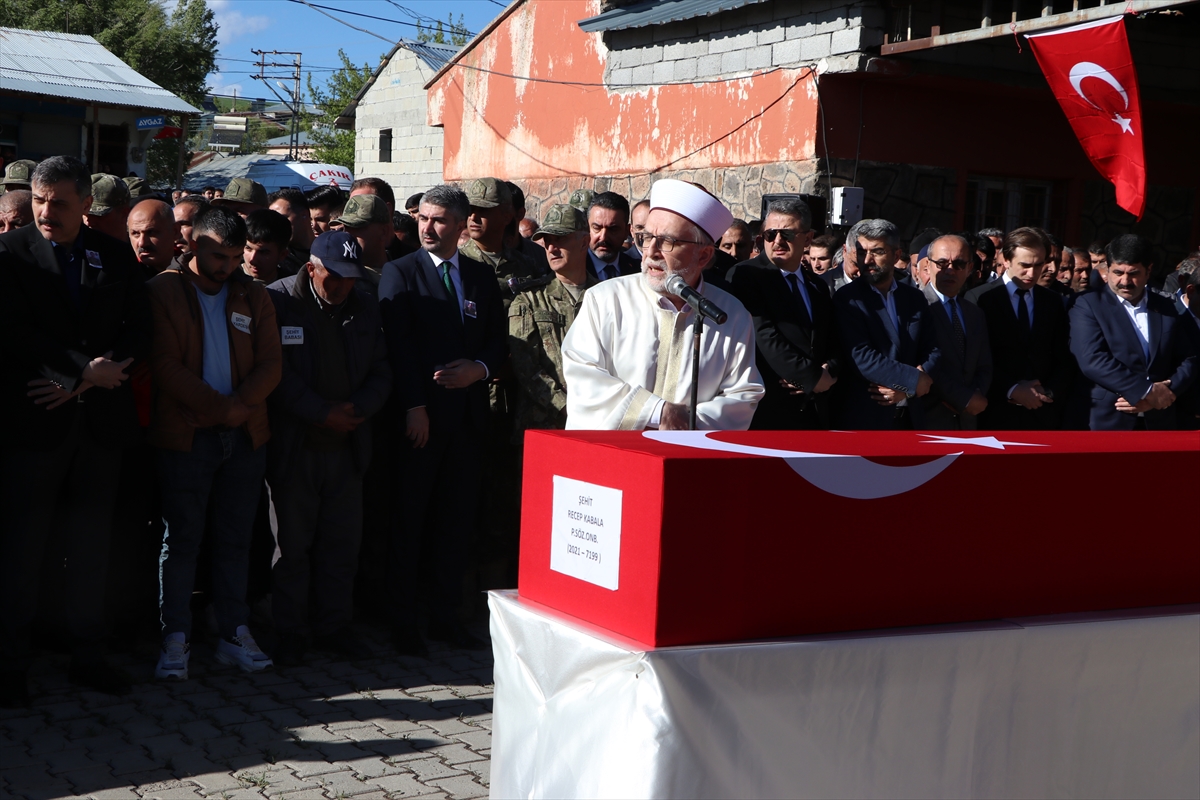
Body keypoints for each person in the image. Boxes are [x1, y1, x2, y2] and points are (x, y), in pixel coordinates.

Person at [0, 155, 150, 706]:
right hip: (34, 427)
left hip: (99, 429)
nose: (45, 212)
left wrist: (84, 383)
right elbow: (13, 333)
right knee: (22, 550)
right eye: (39, 201)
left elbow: (141, 329)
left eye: (59, 202)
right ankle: (11, 665)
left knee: (92, 547)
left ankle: (89, 655)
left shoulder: (112, 255)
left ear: (86, 205)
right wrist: (78, 371)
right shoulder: (10, 254)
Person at [147, 206, 282, 680]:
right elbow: (163, 364)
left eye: (232, 256)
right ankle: (175, 638)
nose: (226, 266)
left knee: (235, 540)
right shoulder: (163, 291)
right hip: (187, 438)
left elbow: (271, 364)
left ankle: (233, 632)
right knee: (181, 540)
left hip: (244, 437)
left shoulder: (254, 294)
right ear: (192, 244)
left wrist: (237, 407)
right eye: (216, 255)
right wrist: (218, 409)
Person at [377, 185, 507, 653]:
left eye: (438, 220)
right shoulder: (400, 272)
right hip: (421, 420)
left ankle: (445, 616)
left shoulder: (478, 276)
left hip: (468, 422)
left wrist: (480, 369)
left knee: (455, 522)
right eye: (423, 219)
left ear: (460, 224)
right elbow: (398, 346)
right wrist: (414, 406)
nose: (427, 228)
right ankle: (402, 621)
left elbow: (496, 340)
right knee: (411, 520)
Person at [265, 231, 391, 664]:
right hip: (296, 447)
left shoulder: (366, 304)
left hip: (347, 446)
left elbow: (382, 368)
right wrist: (320, 412)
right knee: (292, 546)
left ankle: (335, 627)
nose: (341, 286)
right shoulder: (278, 302)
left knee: (342, 545)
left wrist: (359, 408)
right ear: (311, 268)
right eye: (333, 277)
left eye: (350, 278)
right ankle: (291, 631)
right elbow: (273, 373)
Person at [562, 178, 764, 430]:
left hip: (689, 460)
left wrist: (687, 422)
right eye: (646, 237)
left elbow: (743, 395)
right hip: (616, 458)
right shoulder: (604, 300)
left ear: (704, 255)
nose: (651, 251)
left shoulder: (731, 314)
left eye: (667, 241)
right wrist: (657, 412)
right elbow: (583, 376)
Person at [728, 197, 838, 430]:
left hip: (814, 410)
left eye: (786, 234)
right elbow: (763, 333)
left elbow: (830, 336)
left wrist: (830, 370)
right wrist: (809, 376)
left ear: (807, 239)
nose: (777, 241)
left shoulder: (816, 286)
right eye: (770, 234)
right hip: (769, 409)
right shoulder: (746, 275)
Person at [1069, 234, 1197, 430]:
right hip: (1107, 420)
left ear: (1149, 270)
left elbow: (1188, 358)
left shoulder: (1166, 306)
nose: (1125, 281)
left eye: (1134, 273)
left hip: (1158, 420)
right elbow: (1092, 358)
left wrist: (1166, 392)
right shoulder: (1087, 304)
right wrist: (1145, 391)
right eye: (1118, 272)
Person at [966, 227, 1075, 430]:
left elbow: (1063, 356)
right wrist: (1011, 389)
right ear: (1006, 260)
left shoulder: (1053, 302)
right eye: (1024, 265)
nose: (1032, 273)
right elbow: (978, 357)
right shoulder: (979, 299)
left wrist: (1048, 392)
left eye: (1039, 265)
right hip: (995, 412)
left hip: (1043, 414)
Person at [831, 218, 933, 430]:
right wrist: (911, 380)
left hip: (911, 419)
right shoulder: (847, 299)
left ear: (896, 255)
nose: (867, 259)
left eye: (877, 252)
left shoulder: (914, 298)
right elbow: (861, 357)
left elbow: (932, 347)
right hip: (866, 420)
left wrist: (908, 388)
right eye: (861, 252)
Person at [508, 204, 598, 435]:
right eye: (547, 240)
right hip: (543, 424)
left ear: (584, 242)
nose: (551, 247)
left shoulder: (606, 296)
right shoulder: (529, 300)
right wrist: (567, 406)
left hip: (598, 420)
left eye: (560, 238)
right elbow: (526, 367)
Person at [917, 235, 992, 430]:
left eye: (958, 264)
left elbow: (984, 365)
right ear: (928, 265)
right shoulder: (916, 307)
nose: (950, 270)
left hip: (967, 421)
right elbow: (921, 363)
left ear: (969, 268)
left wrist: (975, 396)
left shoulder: (974, 313)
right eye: (942, 263)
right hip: (929, 420)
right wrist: (963, 399)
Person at [337, 193, 394, 292]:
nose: (349, 234)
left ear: (383, 232)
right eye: (346, 228)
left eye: (358, 227)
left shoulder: (406, 271)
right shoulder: (342, 277)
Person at [585, 191, 640, 281]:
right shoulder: (573, 268)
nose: (603, 237)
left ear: (627, 231)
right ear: (587, 227)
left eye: (613, 229)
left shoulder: (637, 271)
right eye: (597, 228)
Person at [269, 188, 316, 276]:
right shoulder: (275, 258)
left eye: (281, 218)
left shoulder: (328, 250)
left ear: (304, 215)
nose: (275, 225)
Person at [127, 199, 180, 276]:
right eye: (135, 233)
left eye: (151, 232)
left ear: (175, 231)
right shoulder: (122, 277)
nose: (142, 243)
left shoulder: (195, 269)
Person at [242, 209, 292, 285]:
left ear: (282, 255)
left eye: (263, 252)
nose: (253, 259)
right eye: (248, 248)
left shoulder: (293, 288)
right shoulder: (226, 280)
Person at [822, 218, 867, 293]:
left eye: (867, 266)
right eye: (856, 265)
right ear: (845, 251)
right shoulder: (824, 285)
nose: (860, 273)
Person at [83, 174, 132, 241]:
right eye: (84, 214)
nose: (88, 222)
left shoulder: (140, 248)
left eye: (98, 216)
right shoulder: (74, 249)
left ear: (124, 214)